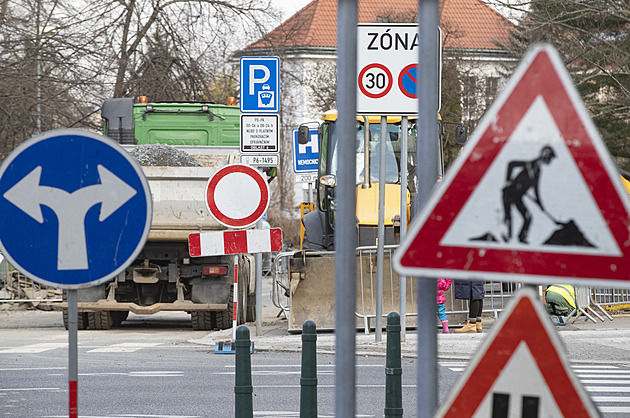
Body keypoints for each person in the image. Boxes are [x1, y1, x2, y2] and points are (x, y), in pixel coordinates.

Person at [502, 145, 556, 244]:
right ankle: (506, 238)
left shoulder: (538, 171)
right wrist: (508, 180)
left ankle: (521, 237)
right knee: (508, 217)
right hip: (509, 193)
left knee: (528, 217)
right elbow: (511, 164)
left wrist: (540, 204)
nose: (550, 161)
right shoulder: (529, 165)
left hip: (518, 196)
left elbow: (536, 190)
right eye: (550, 158)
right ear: (545, 156)